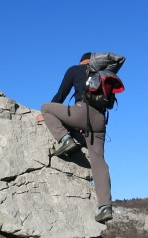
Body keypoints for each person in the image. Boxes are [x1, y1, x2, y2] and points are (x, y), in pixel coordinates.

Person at [37, 52, 114, 223]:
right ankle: (104, 206)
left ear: (82, 61)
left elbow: (60, 95)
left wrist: (45, 115)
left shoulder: (75, 70)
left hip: (81, 112)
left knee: (46, 107)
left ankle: (65, 139)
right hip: (100, 121)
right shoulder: (104, 76)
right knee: (99, 161)